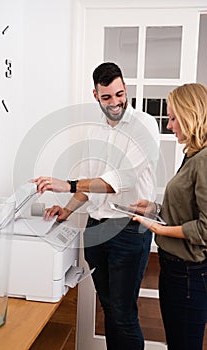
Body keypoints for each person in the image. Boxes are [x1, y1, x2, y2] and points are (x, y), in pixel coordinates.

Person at [32, 62, 159, 349]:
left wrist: (69, 184)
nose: (116, 103)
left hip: (128, 230)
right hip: (95, 230)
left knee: (124, 314)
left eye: (119, 94)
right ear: (95, 95)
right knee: (109, 309)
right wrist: (66, 209)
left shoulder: (145, 125)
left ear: (126, 89)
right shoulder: (95, 132)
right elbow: (92, 184)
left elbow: (121, 180)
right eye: (107, 97)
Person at [131, 83, 207, 350]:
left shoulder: (204, 160)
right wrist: (153, 209)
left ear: (191, 116)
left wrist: (159, 230)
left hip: (188, 274)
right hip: (175, 270)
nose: (169, 125)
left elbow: (204, 229)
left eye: (174, 118)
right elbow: (186, 209)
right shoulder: (193, 155)